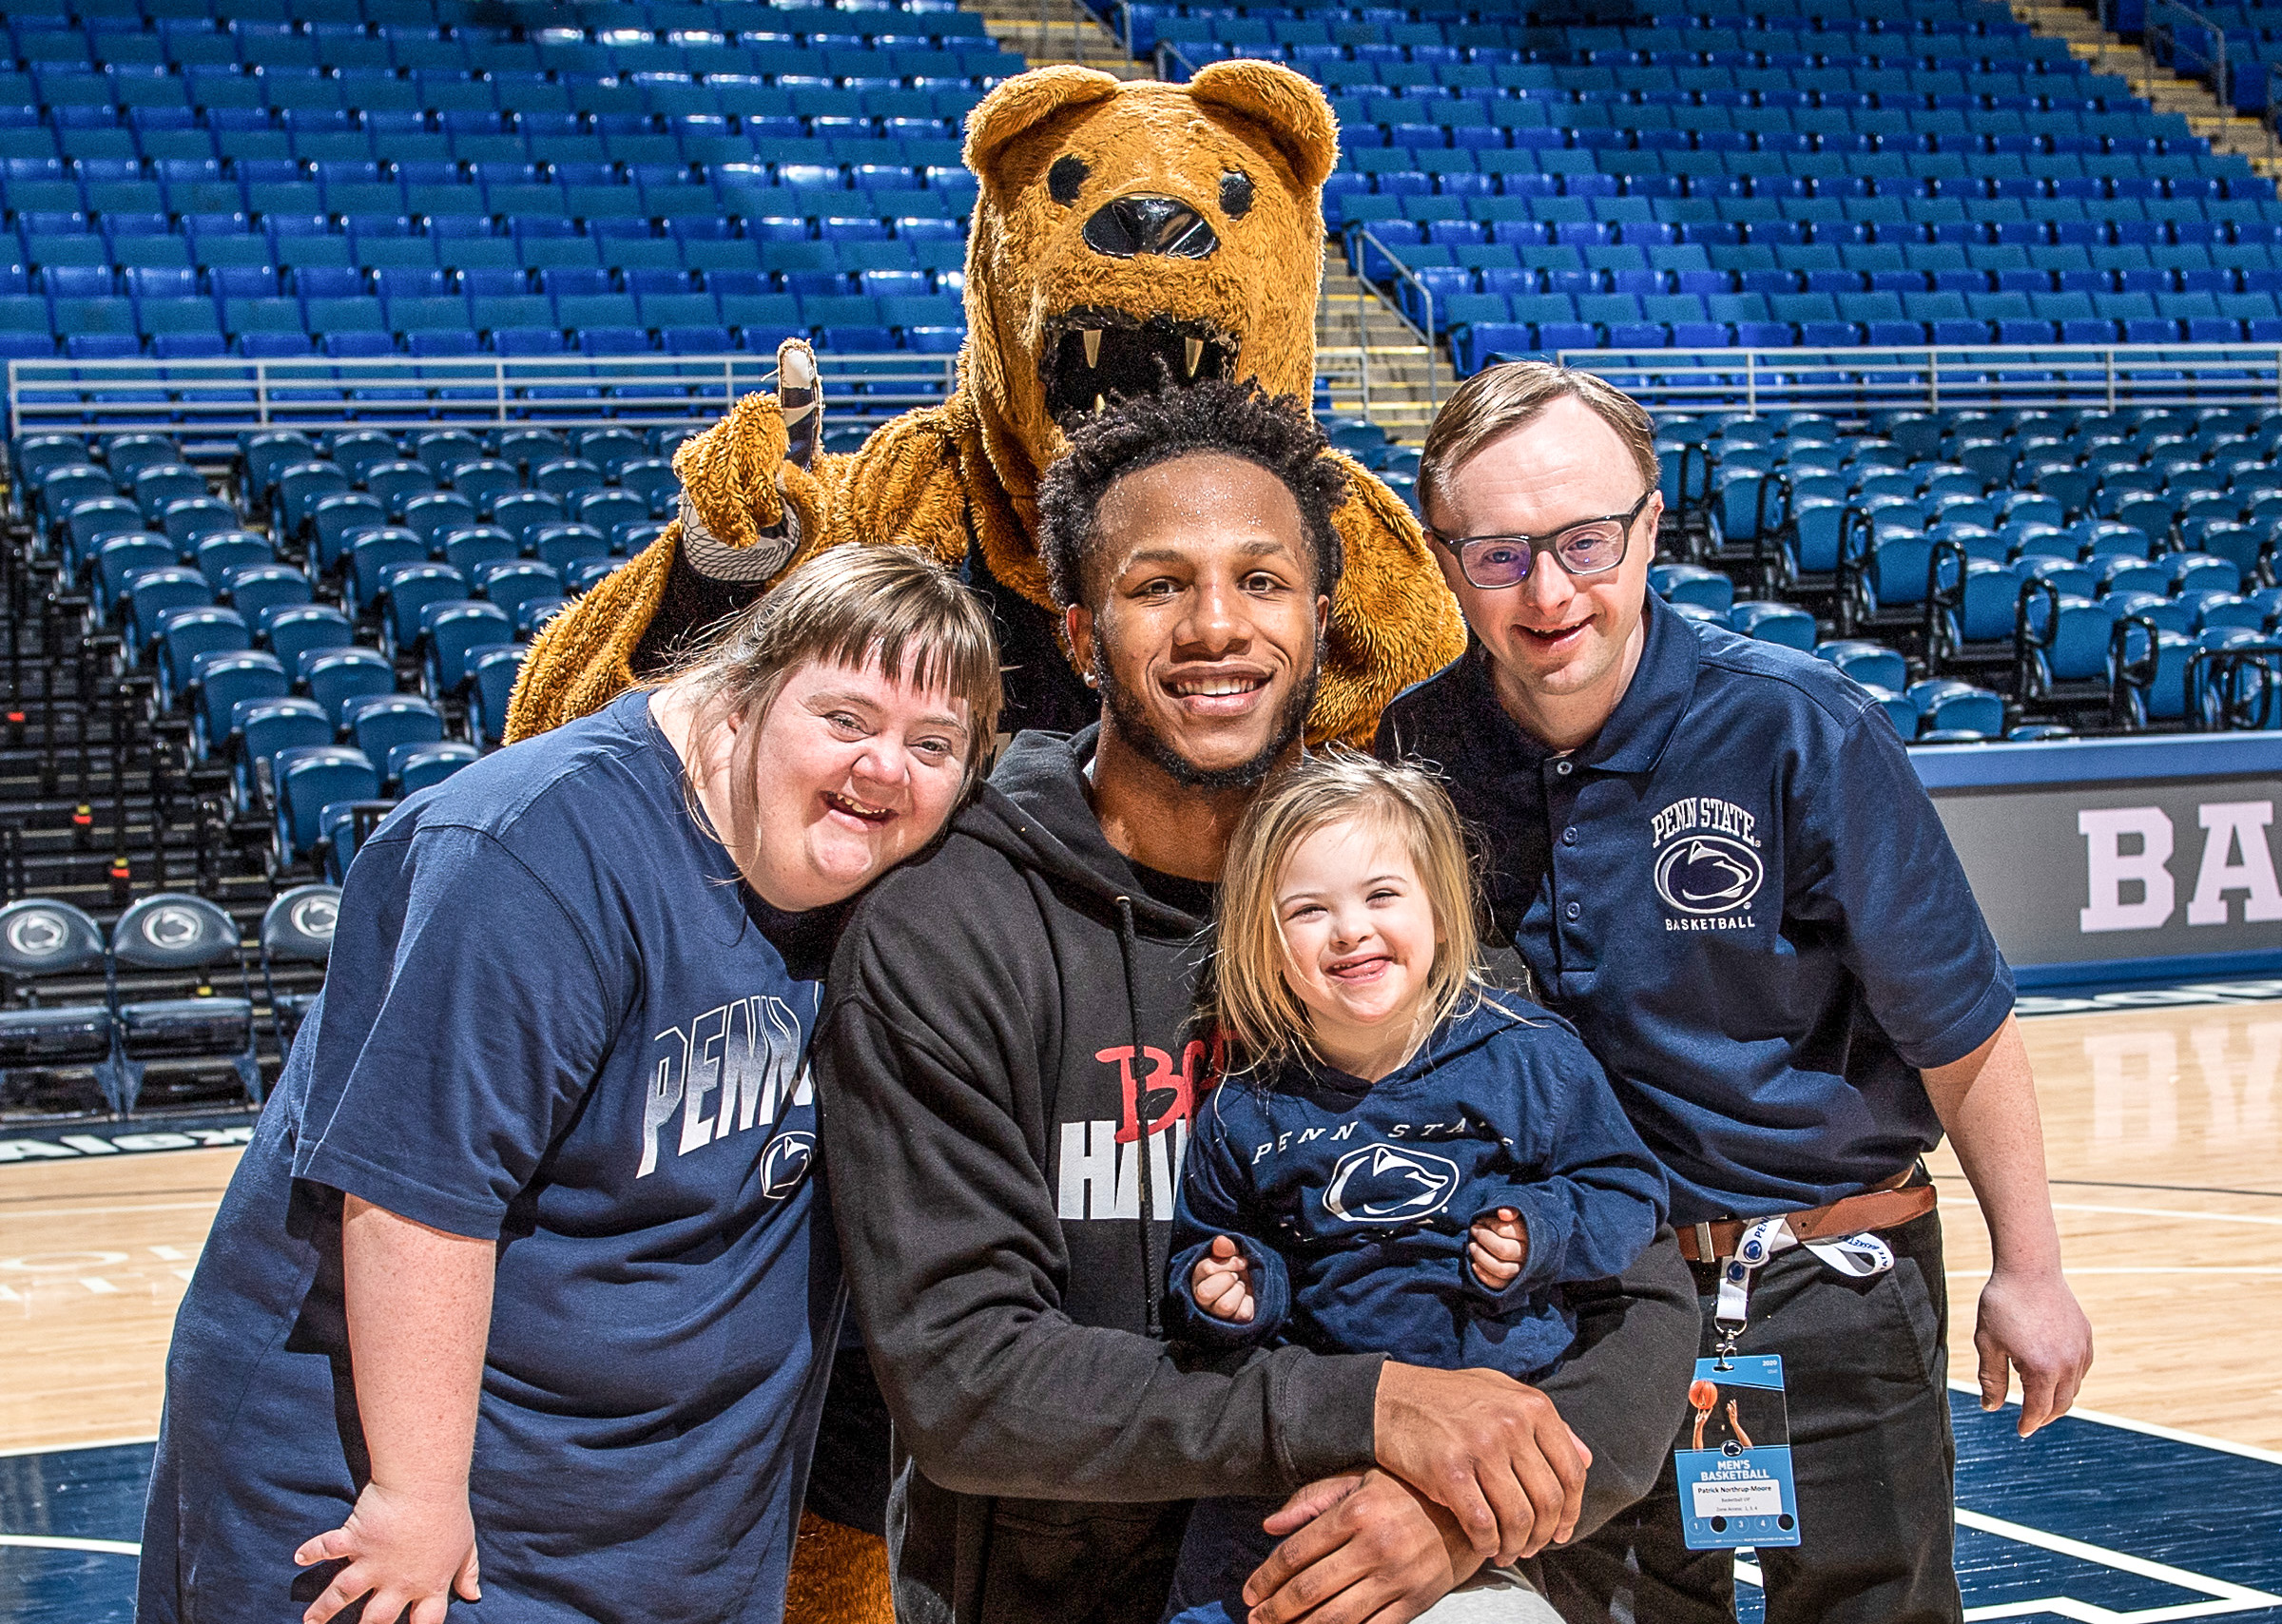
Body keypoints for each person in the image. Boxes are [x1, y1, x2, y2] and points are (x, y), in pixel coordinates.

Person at [813, 377, 1702, 1624]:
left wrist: (1461, 1512)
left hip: (1383, 1574)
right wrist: (1363, 1407)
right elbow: (967, 1385)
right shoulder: (951, 927)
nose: (1216, 627)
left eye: (1262, 581)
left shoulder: (1386, 899)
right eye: (1158, 584)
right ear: (1078, 634)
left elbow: (1636, 1281)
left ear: (1323, 621)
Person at [139, 546, 1002, 1624]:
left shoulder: (877, 879)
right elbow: (415, 1200)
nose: (885, 769)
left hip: (658, 1531)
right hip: (409, 1514)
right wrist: (414, 1499)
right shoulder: (532, 852)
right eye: (846, 719)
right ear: (739, 695)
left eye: (933, 746)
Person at [1376, 361, 2095, 1624]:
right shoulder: (1417, 756)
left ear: (1651, 525)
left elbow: (1960, 1023)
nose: (1550, 591)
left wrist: (2028, 1270)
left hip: (1830, 1284)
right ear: (1445, 560)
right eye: (1500, 556)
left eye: (1586, 541)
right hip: (1574, 1306)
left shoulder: (1797, 728)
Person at [1157, 750, 1669, 1624]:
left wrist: (1545, 1229)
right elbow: (1207, 1255)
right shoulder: (1246, 1106)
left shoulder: (1530, 1056)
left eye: (1381, 896)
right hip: (1295, 1463)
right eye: (1308, 911)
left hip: (1477, 1459)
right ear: (1263, 942)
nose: (1350, 930)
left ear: (1440, 905)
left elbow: (1629, 1192)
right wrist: (1233, 1289)